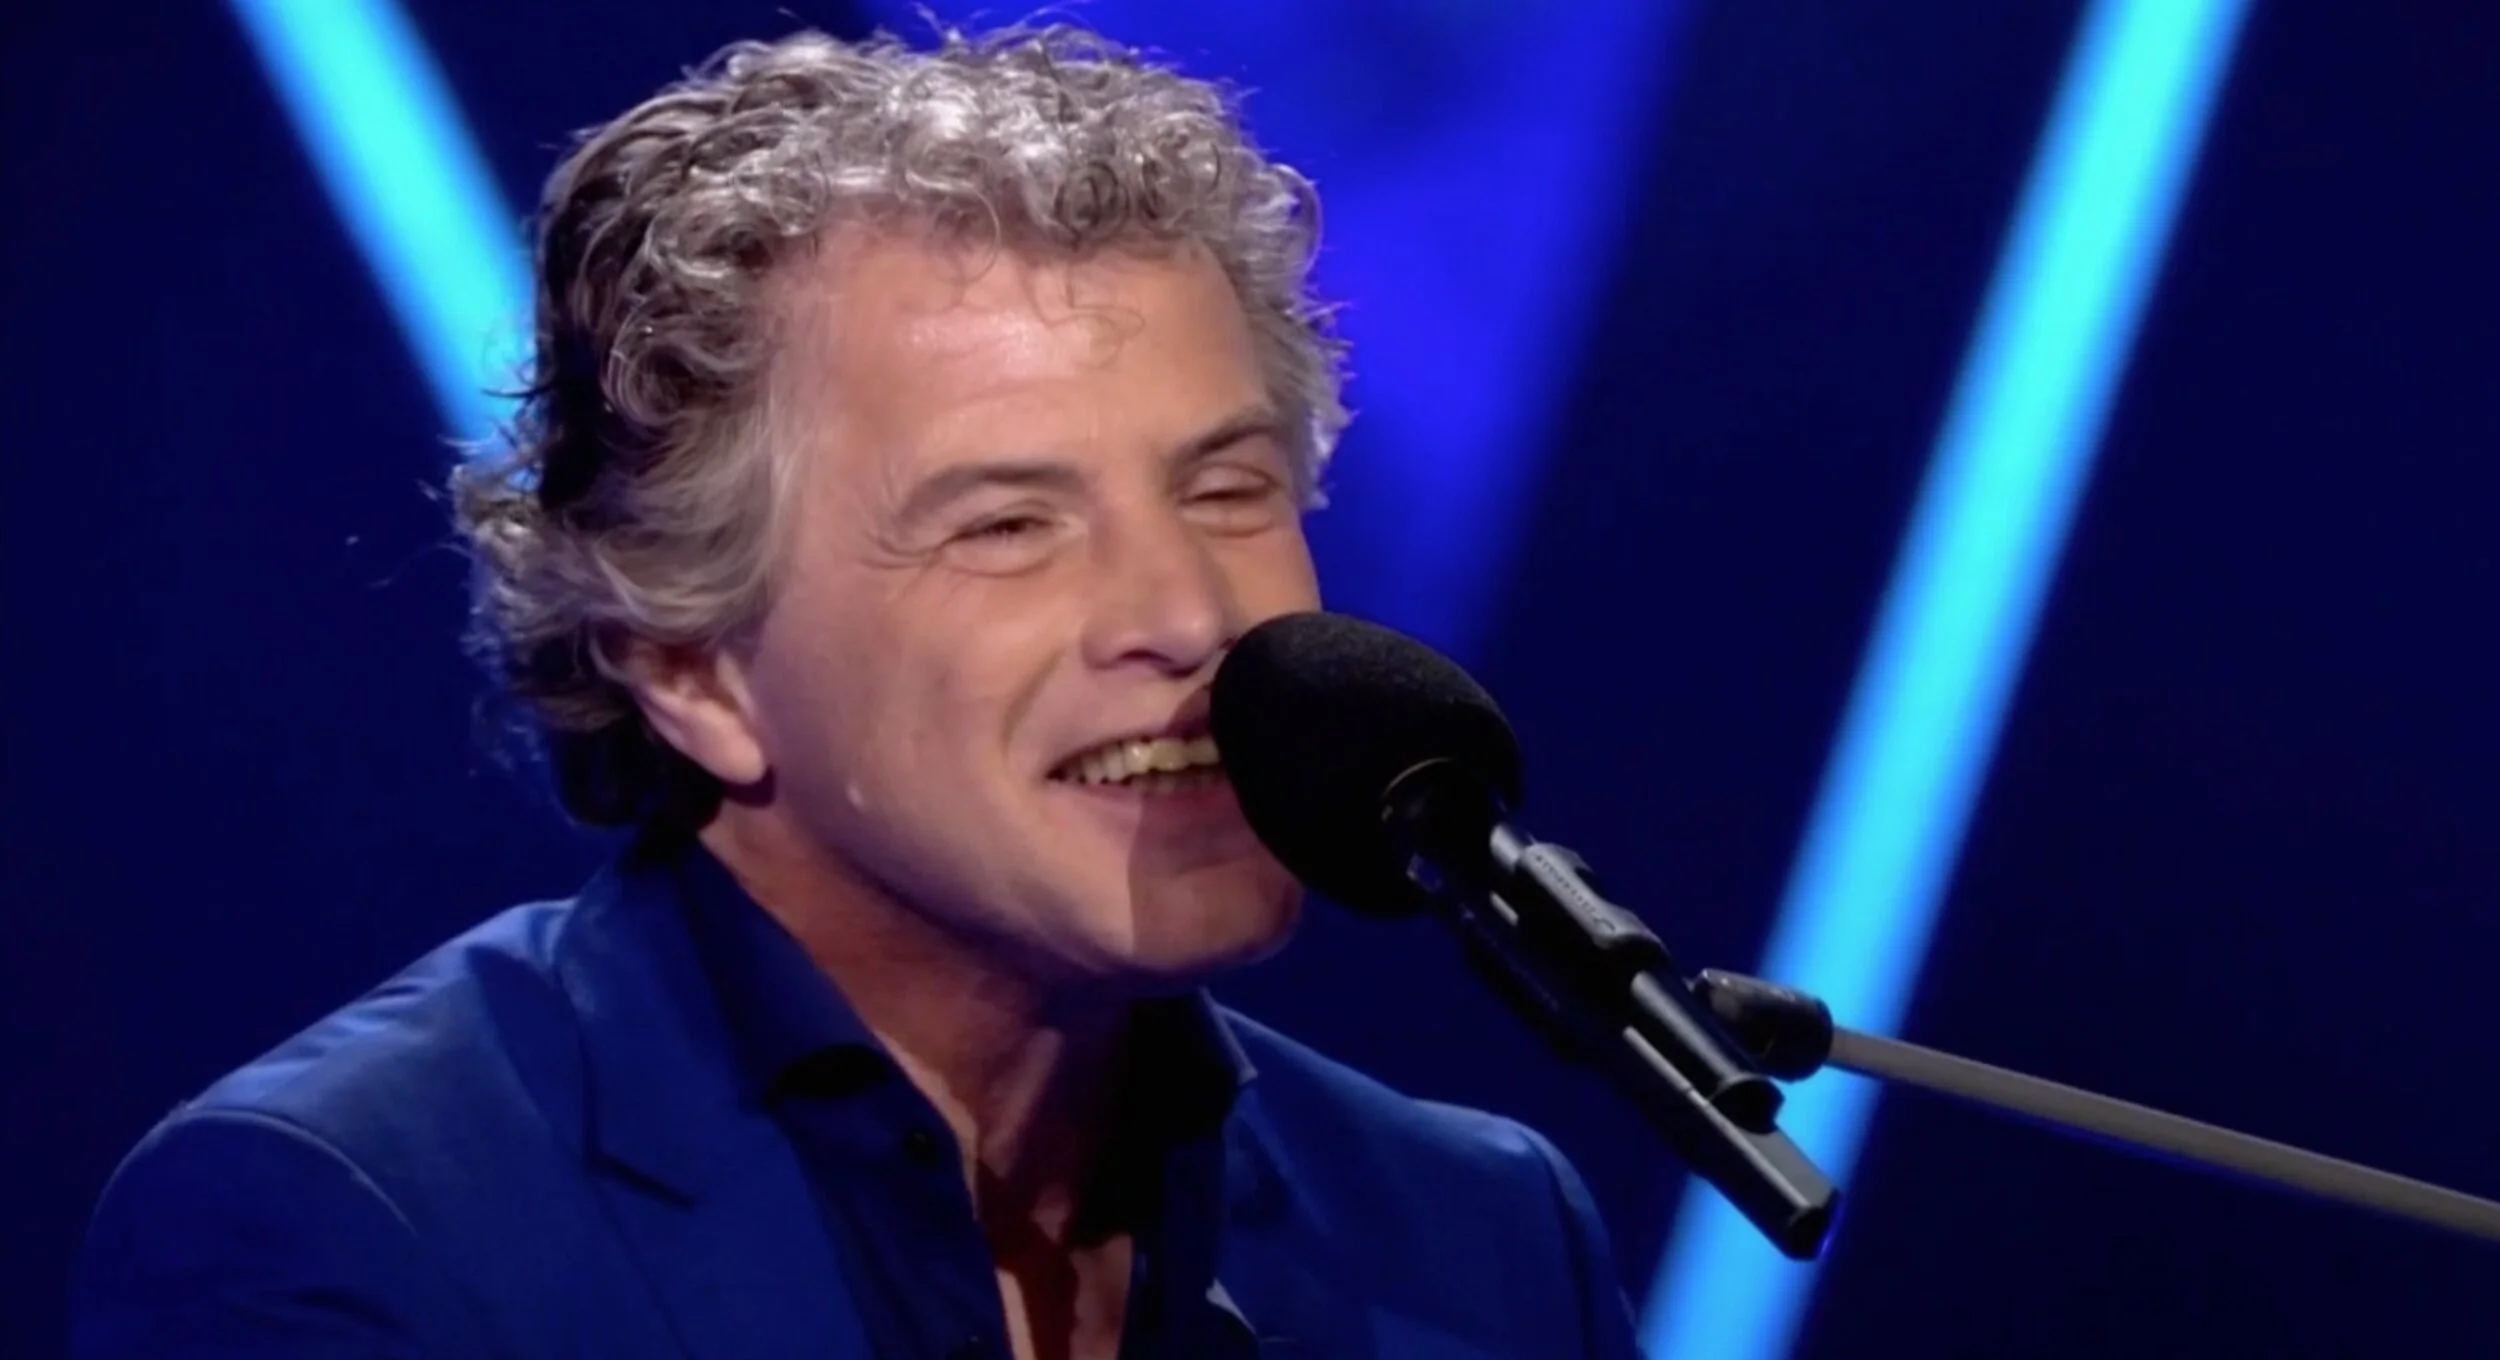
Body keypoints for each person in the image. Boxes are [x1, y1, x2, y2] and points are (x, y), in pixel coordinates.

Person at [72, 24, 1647, 1360]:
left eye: (1228, 490)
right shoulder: (353, 1230)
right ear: (690, 666)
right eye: (1008, 525)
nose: (1187, 615)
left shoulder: (1485, 1246)